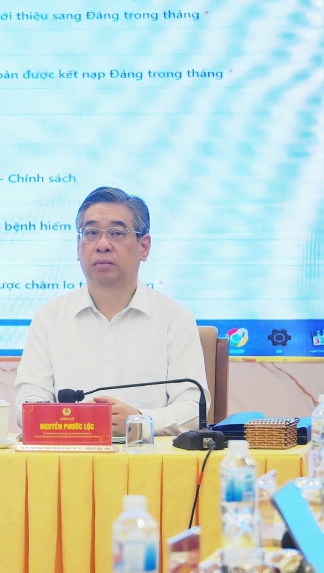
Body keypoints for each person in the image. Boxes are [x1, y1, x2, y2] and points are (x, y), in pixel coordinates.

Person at [13, 187, 208, 436]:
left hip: (148, 463)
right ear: (78, 245)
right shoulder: (50, 317)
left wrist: (140, 421)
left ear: (144, 246)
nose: (102, 244)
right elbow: (28, 402)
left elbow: (193, 408)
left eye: (117, 233)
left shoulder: (175, 319)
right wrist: (70, 421)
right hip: (68, 460)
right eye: (91, 233)